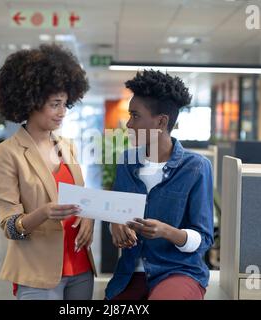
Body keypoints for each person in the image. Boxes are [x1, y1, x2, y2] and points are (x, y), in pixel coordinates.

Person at [0, 44, 96, 300]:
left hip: (81, 267)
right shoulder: (6, 154)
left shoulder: (67, 147)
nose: (62, 112)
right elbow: (10, 227)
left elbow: (79, 200)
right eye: (54, 104)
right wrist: (43, 213)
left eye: (65, 104)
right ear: (32, 102)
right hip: (38, 273)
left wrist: (88, 217)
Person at [105, 70, 214, 300]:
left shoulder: (196, 168)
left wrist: (166, 231)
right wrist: (115, 225)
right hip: (131, 272)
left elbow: (203, 240)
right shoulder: (126, 162)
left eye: (135, 116)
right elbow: (117, 214)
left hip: (179, 271)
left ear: (161, 121)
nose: (128, 124)